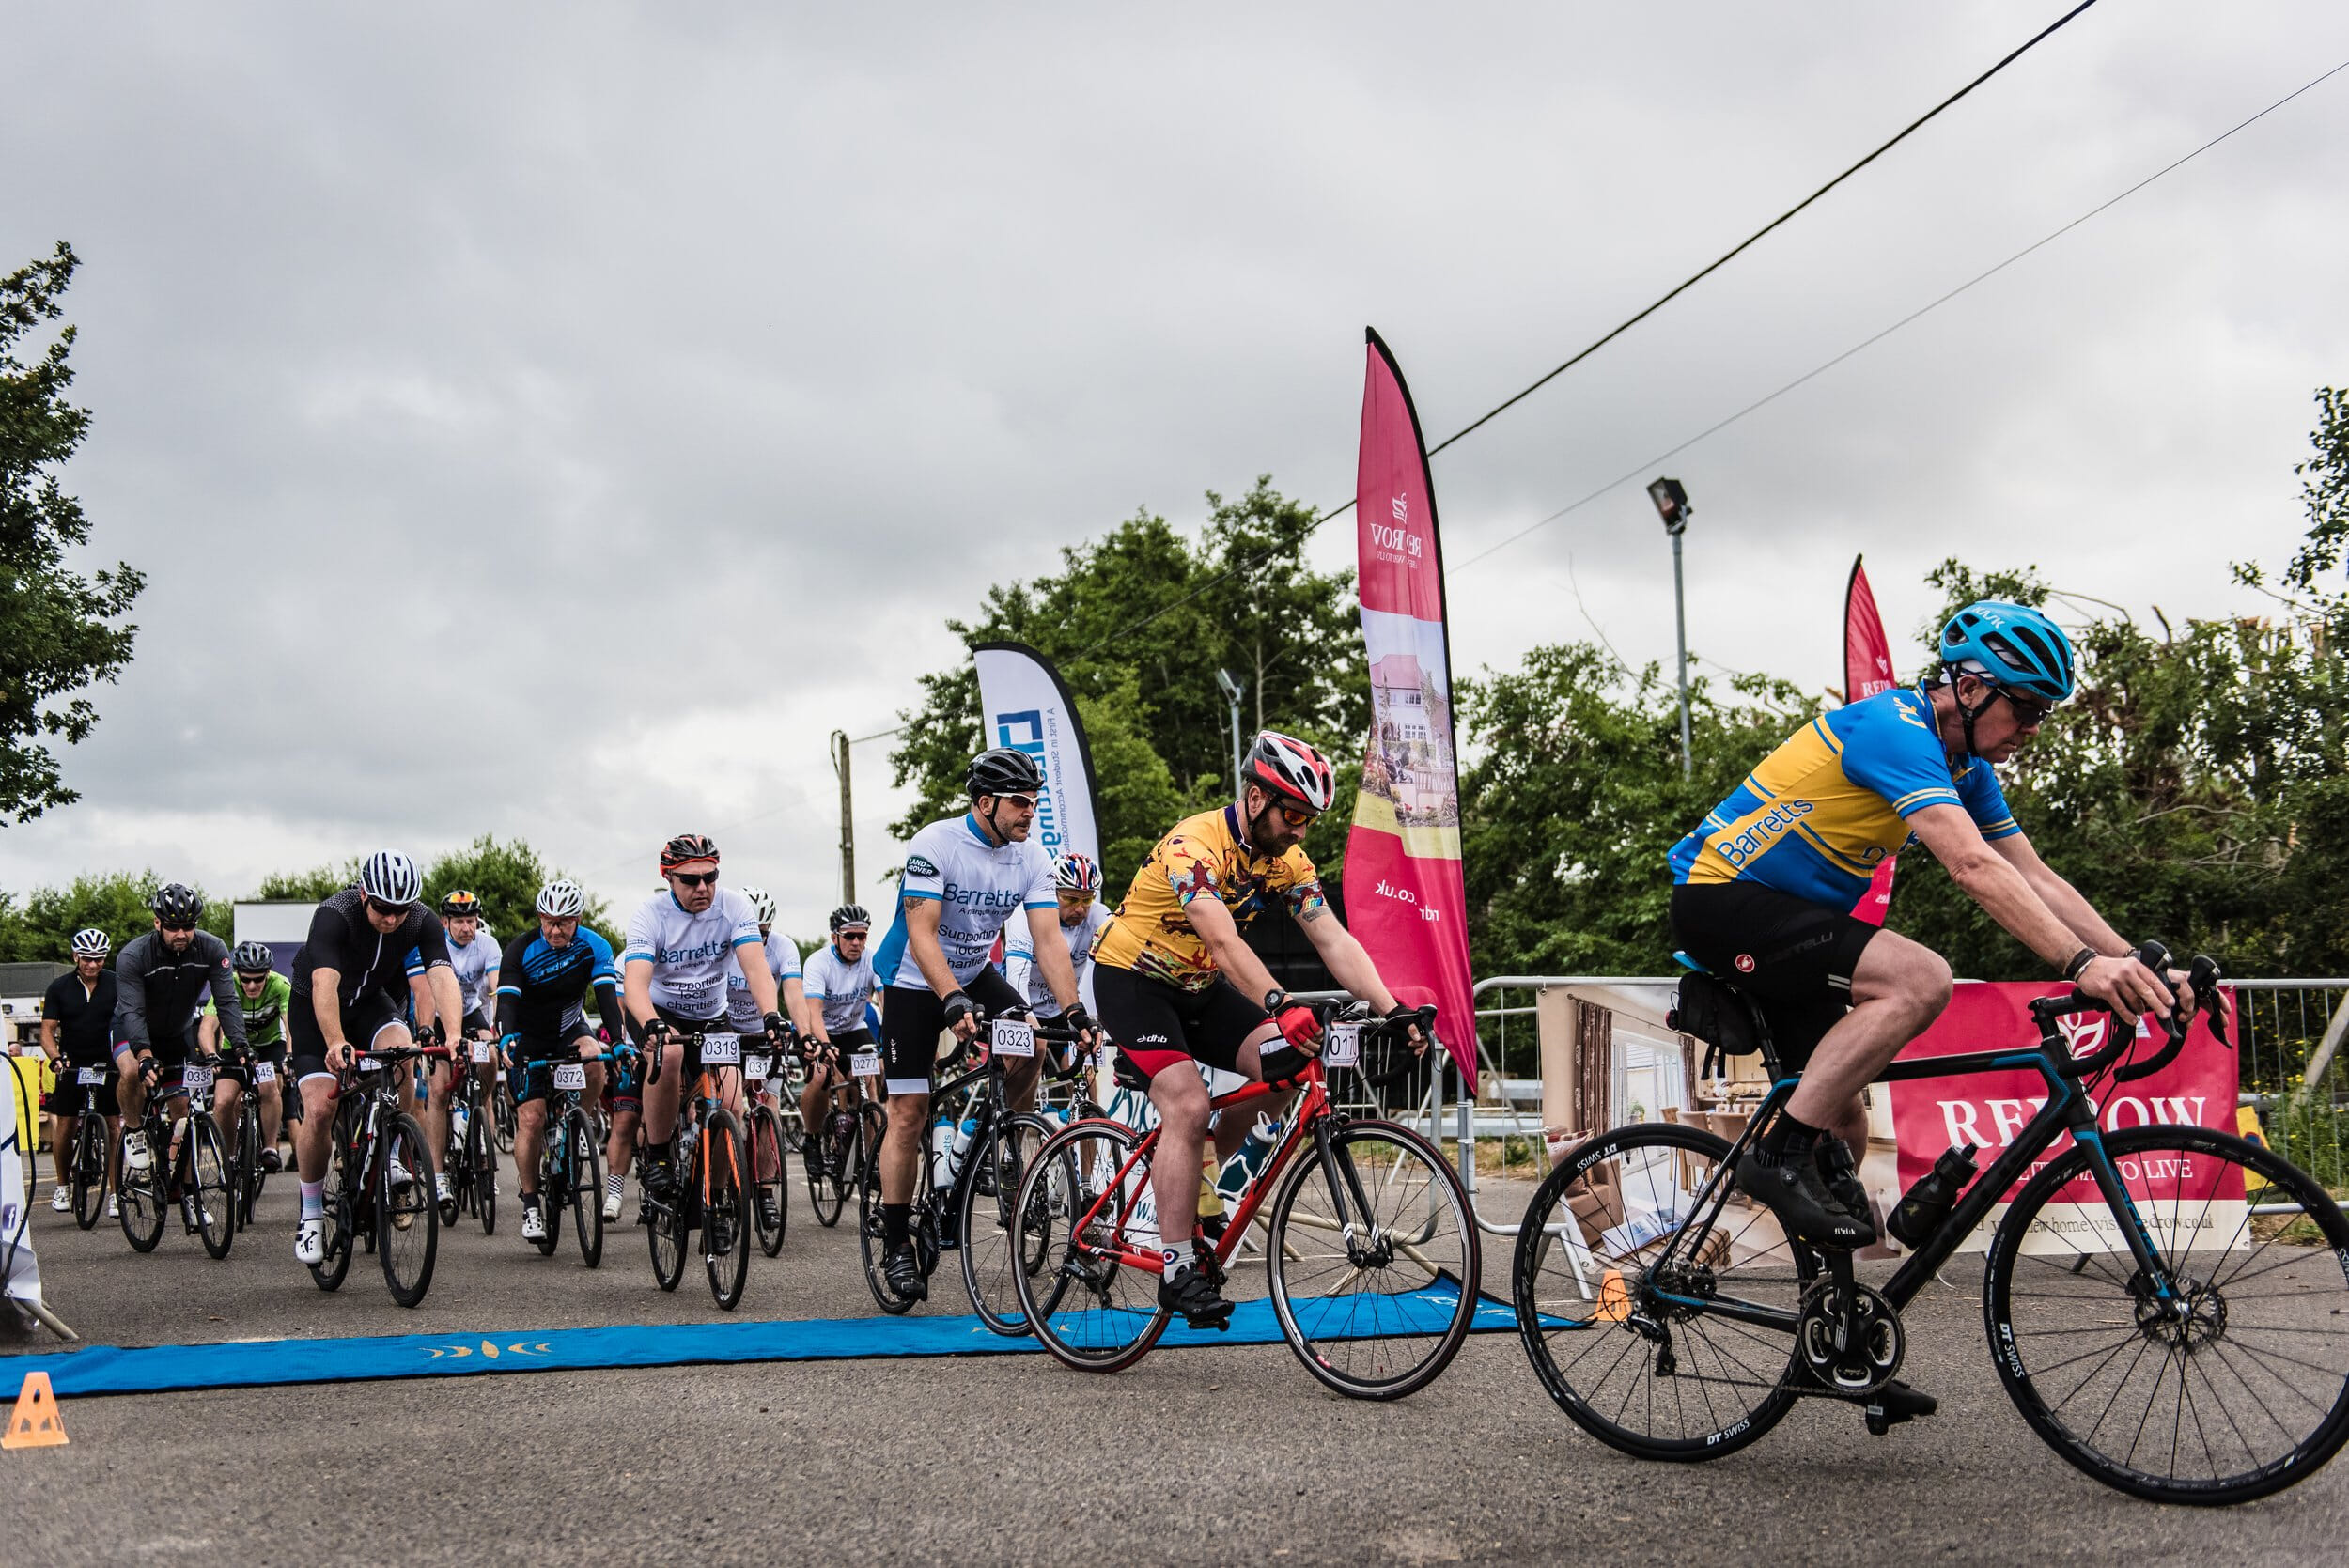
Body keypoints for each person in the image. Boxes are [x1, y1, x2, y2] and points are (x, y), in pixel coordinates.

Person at [1666, 601, 2181, 1425]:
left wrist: (2133, 961)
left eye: (2042, 712)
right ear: (1970, 688)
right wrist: (2081, 966)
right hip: (1724, 900)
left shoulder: (1967, 767)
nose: (2033, 728)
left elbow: (2034, 875)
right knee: (1920, 979)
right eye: (2026, 706)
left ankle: (1840, 1345)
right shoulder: (1894, 729)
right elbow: (1972, 866)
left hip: (1794, 920)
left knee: (1843, 1125)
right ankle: (1772, 1155)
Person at [1090, 730, 1426, 1327]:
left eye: (1309, 820)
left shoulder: (1287, 862)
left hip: (1197, 987)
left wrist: (1391, 1007)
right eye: (1292, 815)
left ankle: (1204, 1172)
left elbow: (1332, 938)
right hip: (1133, 980)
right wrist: (1279, 1002)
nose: (1301, 831)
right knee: (1188, 1104)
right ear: (1254, 797)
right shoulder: (1194, 846)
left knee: (1291, 1064)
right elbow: (1222, 941)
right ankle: (1177, 1270)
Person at [867, 749, 1098, 1303]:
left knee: (1032, 1041)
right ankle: (896, 1241)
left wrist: (1071, 1010)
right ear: (985, 802)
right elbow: (921, 933)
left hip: (975, 973)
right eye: (1020, 802)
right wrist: (950, 997)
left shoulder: (1031, 857)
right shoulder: (936, 844)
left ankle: (1004, 1141)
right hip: (912, 980)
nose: (1030, 812)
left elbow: (1048, 941)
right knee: (909, 1111)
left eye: (1034, 802)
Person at [287, 851, 468, 1265]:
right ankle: (311, 1211)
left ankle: (391, 1154)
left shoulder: (420, 920)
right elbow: (324, 984)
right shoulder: (336, 914)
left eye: (400, 910)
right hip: (316, 1009)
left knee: (403, 1053)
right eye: (383, 908)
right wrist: (335, 1041)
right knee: (320, 1109)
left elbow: (441, 976)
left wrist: (454, 1034)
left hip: (369, 1003)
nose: (391, 918)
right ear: (365, 894)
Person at [620, 835, 792, 1203]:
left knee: (730, 1105)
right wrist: (651, 1022)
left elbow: (757, 969)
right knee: (670, 1054)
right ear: (668, 877)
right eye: (690, 879)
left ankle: (717, 1200)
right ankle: (659, 1155)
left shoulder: (733, 907)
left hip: (712, 1015)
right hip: (660, 1011)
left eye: (710, 877)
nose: (702, 887)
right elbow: (634, 985)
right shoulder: (649, 915)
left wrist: (771, 1016)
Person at [496, 878, 626, 1245]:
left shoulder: (594, 945)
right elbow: (507, 1001)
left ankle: (580, 1119)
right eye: (549, 921)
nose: (555, 930)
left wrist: (617, 1041)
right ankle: (531, 1204)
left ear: (577, 919)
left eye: (564, 922)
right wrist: (506, 1035)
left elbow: (606, 996)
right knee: (531, 1119)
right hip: (529, 1036)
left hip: (570, 1027)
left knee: (595, 1057)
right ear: (540, 917)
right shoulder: (521, 949)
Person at [112, 883, 246, 1188]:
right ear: (157, 923)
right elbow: (133, 1011)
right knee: (131, 1070)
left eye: (188, 926)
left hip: (175, 1034)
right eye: (173, 927)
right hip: (131, 1028)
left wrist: (240, 1046)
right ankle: (134, 1131)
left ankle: (185, 1191)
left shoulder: (212, 948)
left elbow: (227, 1001)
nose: (181, 933)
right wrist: (144, 1054)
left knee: (184, 1115)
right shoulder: (134, 955)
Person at [407, 890, 500, 1210]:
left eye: (471, 921)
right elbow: (424, 992)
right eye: (459, 921)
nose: (466, 928)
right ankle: (438, 1175)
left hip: (471, 1013)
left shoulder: (487, 944)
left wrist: (499, 1024)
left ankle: (484, 1154)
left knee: (489, 1056)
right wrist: (427, 1032)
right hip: (438, 1016)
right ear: (445, 922)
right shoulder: (434, 944)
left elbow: (495, 987)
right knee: (438, 1091)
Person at [39, 929, 120, 1215]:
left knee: (113, 1125)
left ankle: (115, 1193)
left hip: (107, 1061)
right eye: (87, 958)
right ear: (75, 956)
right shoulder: (59, 987)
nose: (92, 964)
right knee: (66, 1124)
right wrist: (55, 1058)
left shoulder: (116, 983)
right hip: (71, 1062)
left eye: (98, 959)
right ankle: (62, 1185)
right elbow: (47, 1031)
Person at [797, 904, 876, 1178]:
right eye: (849, 936)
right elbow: (814, 1012)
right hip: (819, 1028)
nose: (856, 942)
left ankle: (871, 1156)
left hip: (853, 1029)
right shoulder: (818, 963)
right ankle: (812, 1138)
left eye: (861, 936)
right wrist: (825, 1044)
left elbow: (887, 1000)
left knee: (868, 1080)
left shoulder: (872, 960)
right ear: (834, 937)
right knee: (822, 1077)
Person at [199, 941, 292, 1173]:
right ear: (237, 974)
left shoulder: (280, 985)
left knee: (269, 1087)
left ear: (268, 973)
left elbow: (292, 1027)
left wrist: (290, 1055)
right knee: (223, 1101)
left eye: (258, 979)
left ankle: (270, 1148)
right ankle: (229, 1156)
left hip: (269, 1046)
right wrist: (211, 1055)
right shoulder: (226, 985)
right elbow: (207, 1028)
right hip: (234, 1047)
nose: (252, 985)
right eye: (246, 979)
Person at [725, 886, 806, 1118]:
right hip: (728, 1029)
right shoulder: (723, 946)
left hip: (763, 1028)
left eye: (762, 933)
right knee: (730, 1104)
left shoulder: (783, 946)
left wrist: (805, 1035)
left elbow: (794, 993)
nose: (756, 940)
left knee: (770, 1105)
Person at [1003, 851, 1108, 1019]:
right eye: (1071, 899)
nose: (1080, 909)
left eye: (1087, 900)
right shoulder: (1024, 914)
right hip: (1018, 1001)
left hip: (1061, 1009)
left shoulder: (1098, 915)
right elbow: (1017, 976)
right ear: (1052, 892)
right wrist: (1027, 1020)